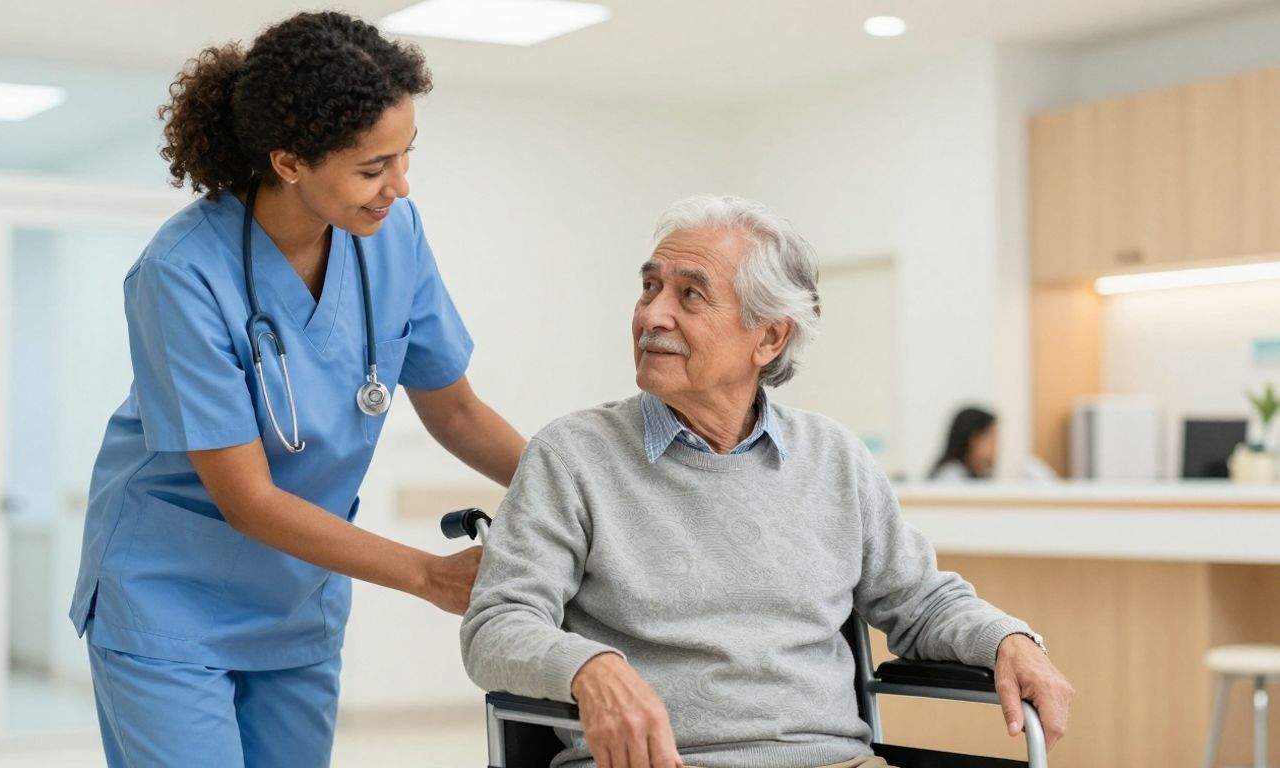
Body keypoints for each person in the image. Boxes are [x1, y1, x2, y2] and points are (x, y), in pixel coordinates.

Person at [461, 196, 1073, 768]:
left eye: (690, 294)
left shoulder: (834, 458)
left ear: (770, 336)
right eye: (650, 286)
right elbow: (496, 625)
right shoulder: (572, 457)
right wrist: (589, 667)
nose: (652, 314)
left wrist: (1007, 640)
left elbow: (920, 602)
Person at [67, 12, 525, 767]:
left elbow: (457, 409)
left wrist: (579, 486)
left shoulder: (395, 237)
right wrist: (427, 575)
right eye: (373, 168)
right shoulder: (182, 273)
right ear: (288, 162)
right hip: (169, 598)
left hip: (295, 599)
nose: (399, 187)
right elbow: (247, 498)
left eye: (406, 157)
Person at [929, 407, 998, 481]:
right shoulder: (951, 477)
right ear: (973, 440)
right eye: (992, 438)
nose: (996, 447)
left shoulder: (976, 476)